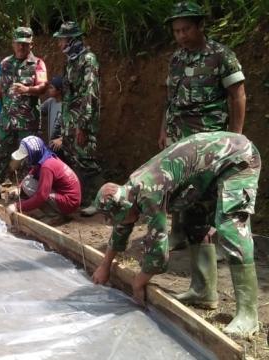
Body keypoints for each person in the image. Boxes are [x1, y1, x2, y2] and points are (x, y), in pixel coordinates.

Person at [93, 131, 260, 337]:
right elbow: (122, 228)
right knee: (195, 222)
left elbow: (158, 254)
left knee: (230, 227)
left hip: (236, 158)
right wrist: (104, 266)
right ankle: (203, 291)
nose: (121, 225)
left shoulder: (148, 192)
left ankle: (248, 315)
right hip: (207, 170)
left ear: (125, 207)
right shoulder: (128, 194)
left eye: (119, 218)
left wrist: (139, 282)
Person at [158, 1, 247, 251]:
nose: (181, 36)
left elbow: (238, 95)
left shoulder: (221, 56)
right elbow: (170, 99)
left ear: (200, 26)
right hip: (178, 135)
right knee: (175, 185)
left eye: (186, 29)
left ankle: (209, 245)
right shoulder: (176, 58)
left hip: (208, 136)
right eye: (176, 31)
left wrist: (236, 136)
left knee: (207, 191)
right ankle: (177, 233)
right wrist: (163, 130)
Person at [0, 27, 48, 200]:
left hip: (28, 121)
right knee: (0, 153)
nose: (21, 47)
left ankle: (27, 191)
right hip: (7, 119)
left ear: (31, 44)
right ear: (13, 43)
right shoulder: (5, 64)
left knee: (28, 156)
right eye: (18, 43)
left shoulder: (38, 64)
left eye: (25, 44)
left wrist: (28, 89)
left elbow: (43, 86)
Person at [53, 21, 102, 217]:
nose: (59, 44)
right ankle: (82, 197)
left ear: (71, 40)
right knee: (75, 159)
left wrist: (83, 125)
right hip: (69, 121)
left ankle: (98, 200)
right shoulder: (71, 61)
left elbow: (89, 94)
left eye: (62, 40)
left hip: (82, 122)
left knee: (87, 160)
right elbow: (67, 95)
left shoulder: (88, 60)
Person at [6, 136, 81, 224]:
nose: (25, 159)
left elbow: (41, 196)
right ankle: (56, 211)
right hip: (67, 197)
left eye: (27, 156)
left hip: (69, 201)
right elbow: (32, 173)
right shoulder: (46, 156)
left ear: (34, 154)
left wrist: (17, 206)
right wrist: (18, 188)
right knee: (27, 182)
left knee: (30, 187)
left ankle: (54, 215)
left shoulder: (47, 167)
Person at [40, 76, 63, 153]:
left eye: (51, 88)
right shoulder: (50, 102)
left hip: (61, 144)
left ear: (59, 90)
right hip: (52, 145)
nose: (49, 90)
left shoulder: (65, 106)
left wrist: (61, 139)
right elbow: (39, 111)